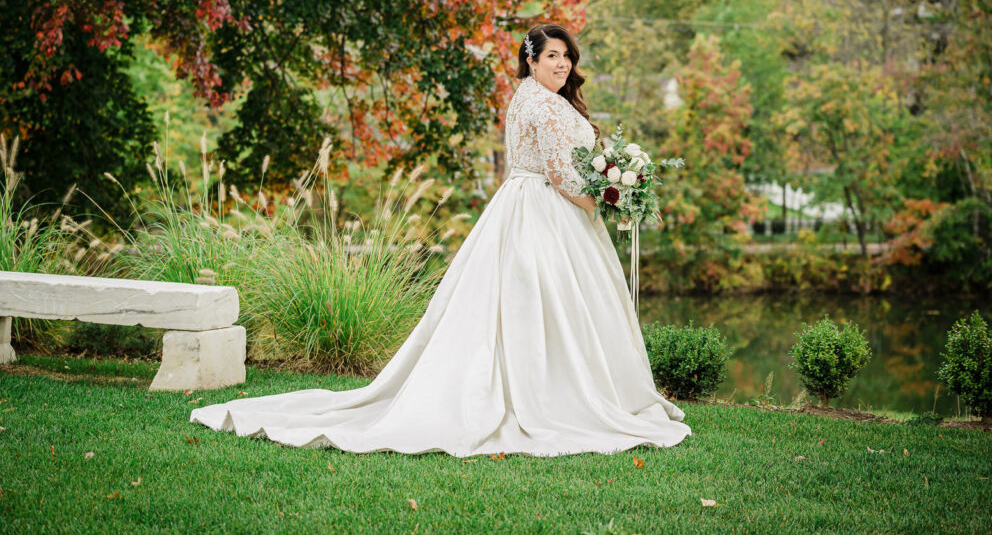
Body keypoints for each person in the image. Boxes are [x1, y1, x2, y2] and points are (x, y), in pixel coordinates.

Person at [190, 23, 692, 457]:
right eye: (552, 56)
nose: (562, 65)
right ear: (531, 60)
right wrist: (607, 199)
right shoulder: (546, 106)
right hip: (547, 209)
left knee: (529, 304)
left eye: (567, 57)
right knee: (551, 302)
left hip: (521, 204)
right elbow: (562, 176)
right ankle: (558, 395)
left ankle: (543, 384)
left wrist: (606, 188)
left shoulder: (526, 98)